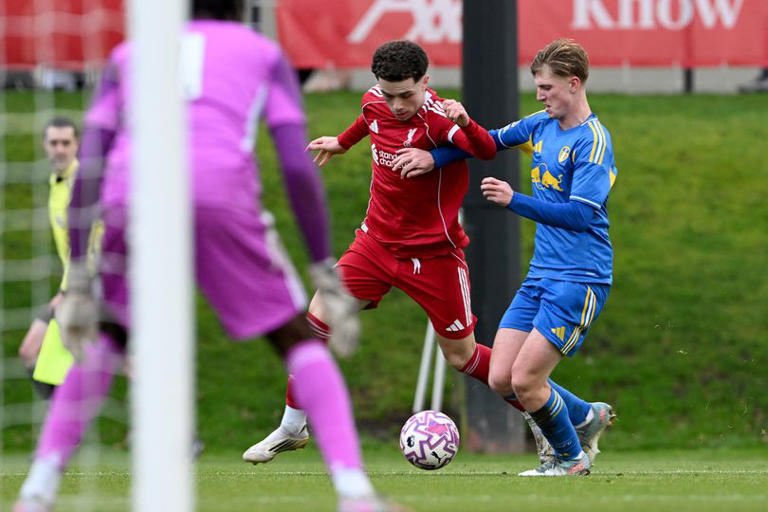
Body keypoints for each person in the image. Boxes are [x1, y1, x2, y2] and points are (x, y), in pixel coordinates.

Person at [13, 1, 402, 511]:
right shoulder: (262, 52)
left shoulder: (132, 54)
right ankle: (354, 494)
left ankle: (36, 492)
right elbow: (295, 163)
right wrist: (318, 261)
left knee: (107, 336)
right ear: (242, 7)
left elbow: (93, 158)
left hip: (133, 193)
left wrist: (84, 271)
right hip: (219, 192)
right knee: (296, 336)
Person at [243, 39, 603, 468]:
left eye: (406, 95)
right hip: (374, 243)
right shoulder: (376, 101)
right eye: (388, 93)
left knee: (465, 357)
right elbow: (369, 120)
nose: (396, 105)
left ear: (425, 83)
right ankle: (292, 426)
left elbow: (484, 148)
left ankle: (569, 414)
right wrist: (342, 142)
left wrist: (448, 145)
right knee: (316, 320)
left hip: (435, 256)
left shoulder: (439, 118)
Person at [394, 38, 617, 476]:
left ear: (573, 85)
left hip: (580, 276)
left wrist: (514, 200)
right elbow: (487, 143)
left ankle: (570, 460)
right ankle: (586, 417)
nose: (539, 95)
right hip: (542, 275)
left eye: (547, 87)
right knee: (500, 377)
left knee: (527, 381)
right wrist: (433, 156)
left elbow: (579, 215)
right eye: (537, 86)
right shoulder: (540, 124)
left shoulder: (593, 143)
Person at [18, 118, 88, 399]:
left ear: (77, 145)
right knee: (31, 352)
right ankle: (63, 436)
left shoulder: (83, 186)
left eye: (66, 143)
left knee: (122, 361)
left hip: (88, 288)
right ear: (44, 146)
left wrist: (67, 291)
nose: (60, 149)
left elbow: (91, 247)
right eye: (54, 143)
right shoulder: (56, 183)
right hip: (72, 287)